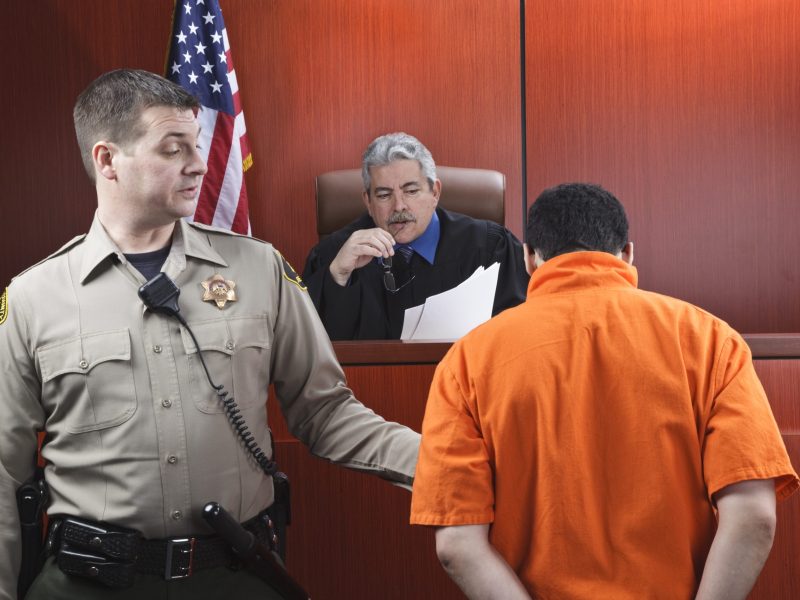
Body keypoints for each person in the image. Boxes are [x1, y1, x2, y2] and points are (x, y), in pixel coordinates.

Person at [0, 69, 419, 600]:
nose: (198, 163)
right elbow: (3, 473)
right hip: (87, 582)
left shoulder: (259, 268)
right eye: (173, 149)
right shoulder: (34, 297)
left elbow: (327, 412)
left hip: (236, 573)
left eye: (195, 145)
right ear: (107, 160)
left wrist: (440, 464)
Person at [410, 183, 799, 599]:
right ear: (627, 252)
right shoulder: (711, 341)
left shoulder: (466, 361)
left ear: (528, 258)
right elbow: (754, 516)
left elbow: (457, 545)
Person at [302, 132, 529, 340]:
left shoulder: (490, 247)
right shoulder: (332, 256)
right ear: (368, 202)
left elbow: (519, 334)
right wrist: (338, 277)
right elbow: (307, 347)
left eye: (411, 191)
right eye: (383, 195)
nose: (399, 206)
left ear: (435, 192)